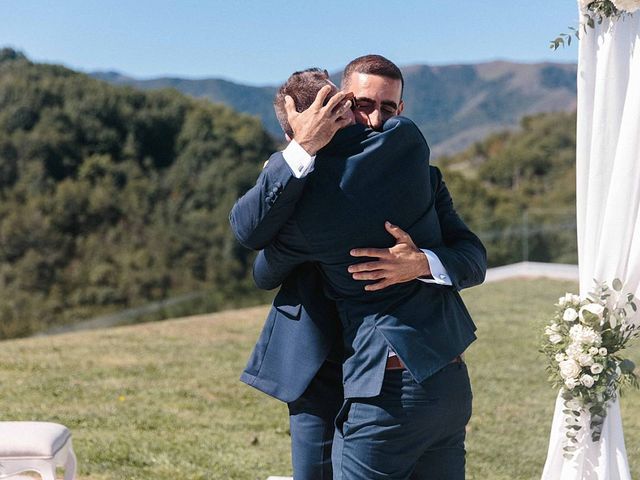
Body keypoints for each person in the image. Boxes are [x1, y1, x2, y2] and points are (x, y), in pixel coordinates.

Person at [230, 56, 486, 479]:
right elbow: (259, 262)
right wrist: (300, 153)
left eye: (388, 109)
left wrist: (423, 262)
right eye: (364, 105)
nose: (373, 119)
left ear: (400, 111)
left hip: (387, 368)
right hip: (315, 363)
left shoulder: (422, 177)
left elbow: (472, 258)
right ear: (341, 104)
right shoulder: (297, 181)